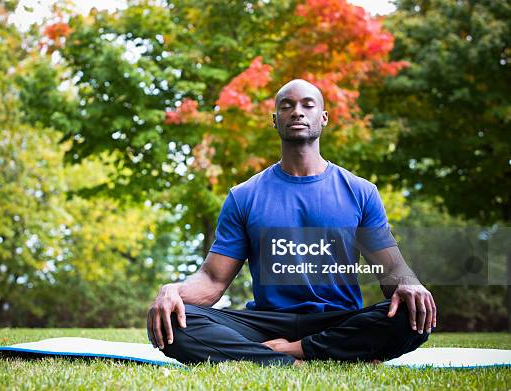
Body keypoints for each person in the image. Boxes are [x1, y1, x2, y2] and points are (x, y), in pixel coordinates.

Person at [146, 79, 436, 366]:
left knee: (411, 313)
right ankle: (308, 356)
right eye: (287, 106)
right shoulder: (244, 196)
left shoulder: (361, 192)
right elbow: (212, 280)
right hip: (266, 321)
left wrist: (410, 284)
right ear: (275, 120)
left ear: (323, 118)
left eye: (307, 105)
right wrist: (174, 291)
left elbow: (392, 272)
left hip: (337, 319)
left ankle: (290, 352)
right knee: (172, 319)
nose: (297, 112)